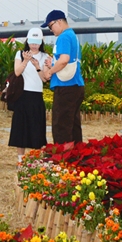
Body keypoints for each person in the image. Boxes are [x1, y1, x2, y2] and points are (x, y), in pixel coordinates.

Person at [39, 10, 85, 149]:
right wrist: (53, 63)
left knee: (61, 126)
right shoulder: (72, 35)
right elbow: (67, 60)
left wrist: (50, 71)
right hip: (76, 86)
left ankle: (63, 157)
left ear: (59, 22)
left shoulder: (63, 37)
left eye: (50, 26)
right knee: (73, 125)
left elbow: (64, 60)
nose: (50, 30)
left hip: (66, 87)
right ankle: (77, 154)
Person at [8, 28, 48, 162]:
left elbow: (45, 78)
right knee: (20, 127)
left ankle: (36, 158)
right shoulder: (20, 54)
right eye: (32, 42)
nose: (34, 45)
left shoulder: (45, 57)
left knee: (37, 126)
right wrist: (25, 61)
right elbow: (17, 72)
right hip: (22, 94)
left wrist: (37, 66)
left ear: (41, 42)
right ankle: (20, 158)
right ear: (27, 41)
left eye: (37, 42)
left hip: (36, 95)